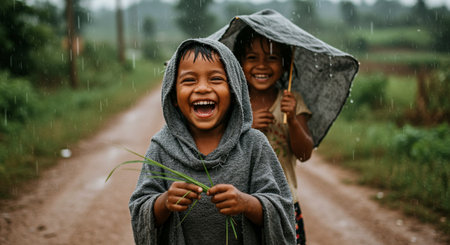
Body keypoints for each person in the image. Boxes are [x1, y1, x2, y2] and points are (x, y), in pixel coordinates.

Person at [129, 38, 295, 245]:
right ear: (172, 96)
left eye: (216, 79)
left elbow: (281, 208)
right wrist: (164, 202)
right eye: (189, 80)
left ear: (234, 91)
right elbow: (140, 209)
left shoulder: (254, 144)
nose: (202, 88)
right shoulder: (161, 147)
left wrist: (246, 203)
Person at [233, 26, 314, 245]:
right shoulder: (234, 105)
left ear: (284, 64)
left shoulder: (292, 101)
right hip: (242, 200)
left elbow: (305, 153)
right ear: (239, 63)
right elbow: (221, 148)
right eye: (252, 57)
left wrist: (294, 120)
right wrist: (247, 128)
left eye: (272, 58)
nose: (262, 65)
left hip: (284, 200)